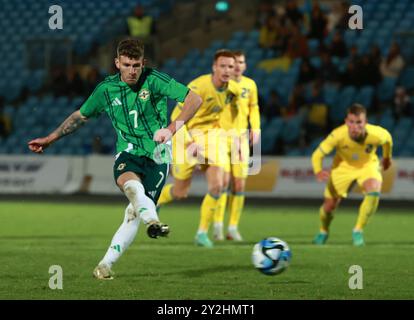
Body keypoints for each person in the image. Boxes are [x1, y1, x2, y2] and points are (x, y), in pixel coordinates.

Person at [28, 39, 202, 279]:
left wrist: (171, 129)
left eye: (137, 65)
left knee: (132, 212)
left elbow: (195, 100)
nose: (132, 70)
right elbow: (80, 116)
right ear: (117, 63)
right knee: (130, 185)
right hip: (128, 152)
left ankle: (105, 265)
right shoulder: (106, 89)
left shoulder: (155, 80)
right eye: (127, 64)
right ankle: (153, 220)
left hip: (158, 154)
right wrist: (51, 138)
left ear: (144, 63)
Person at [157, 49, 241, 248]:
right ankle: (157, 200)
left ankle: (202, 233)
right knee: (180, 193)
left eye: (230, 66)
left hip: (212, 137)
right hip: (186, 135)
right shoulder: (198, 87)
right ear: (214, 67)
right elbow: (176, 118)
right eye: (222, 66)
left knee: (217, 186)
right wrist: (188, 143)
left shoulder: (233, 91)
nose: (227, 70)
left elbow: (233, 112)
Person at [311, 104, 393, 246]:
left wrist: (387, 157)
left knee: (373, 191)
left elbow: (388, 140)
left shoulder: (376, 134)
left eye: (359, 122)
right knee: (329, 206)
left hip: (367, 165)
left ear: (365, 122)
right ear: (346, 122)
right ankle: (323, 231)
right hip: (343, 167)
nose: (355, 126)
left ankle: (358, 230)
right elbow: (317, 155)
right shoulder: (337, 135)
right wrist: (318, 171)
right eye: (351, 122)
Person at [213, 50, 261, 241]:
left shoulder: (250, 85)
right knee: (222, 183)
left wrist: (255, 128)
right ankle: (217, 226)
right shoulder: (223, 84)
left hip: (241, 139)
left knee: (239, 184)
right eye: (236, 63)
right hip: (222, 137)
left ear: (245, 65)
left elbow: (253, 107)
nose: (239, 66)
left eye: (242, 62)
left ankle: (232, 227)